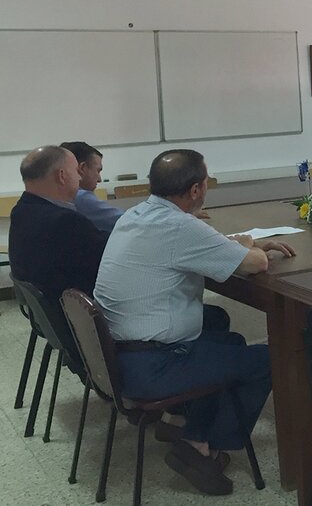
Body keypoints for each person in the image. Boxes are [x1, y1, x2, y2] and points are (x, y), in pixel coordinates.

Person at [94, 149, 296, 495]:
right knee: (269, 359)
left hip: (118, 356)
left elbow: (195, 246)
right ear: (195, 190)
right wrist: (250, 246)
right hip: (153, 366)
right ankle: (204, 446)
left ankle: (186, 427)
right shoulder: (180, 226)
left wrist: (242, 245)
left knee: (229, 342)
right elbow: (257, 264)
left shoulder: (136, 215)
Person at [8, 146, 109, 374]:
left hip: (55, 325)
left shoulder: (22, 210)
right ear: (62, 176)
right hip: (87, 336)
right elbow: (113, 259)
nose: (80, 178)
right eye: (76, 171)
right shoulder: (65, 222)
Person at [59, 141, 124, 231]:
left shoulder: (53, 196)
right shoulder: (80, 197)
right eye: (98, 171)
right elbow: (128, 221)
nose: (99, 179)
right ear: (82, 168)